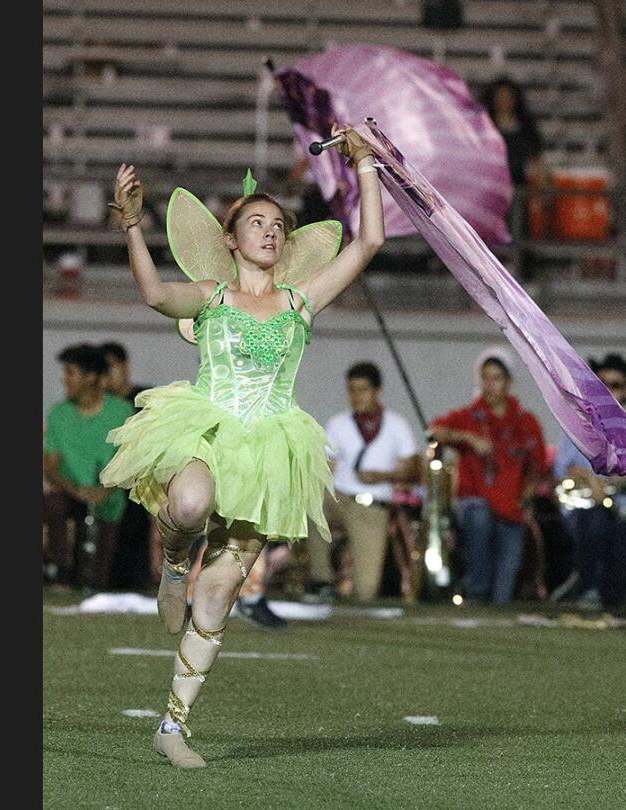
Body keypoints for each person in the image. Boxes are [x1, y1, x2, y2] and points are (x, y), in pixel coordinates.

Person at [97, 124, 385, 768]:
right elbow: (151, 294)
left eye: (278, 224)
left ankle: (172, 726)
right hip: (207, 426)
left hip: (270, 447)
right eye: (256, 222)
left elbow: (369, 241)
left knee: (223, 587)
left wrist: (364, 164)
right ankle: (175, 563)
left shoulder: (301, 299)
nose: (271, 230)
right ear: (230, 240)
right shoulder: (211, 296)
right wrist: (131, 227)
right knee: (191, 502)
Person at [549, 354, 626, 611]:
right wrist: (591, 479)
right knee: (595, 519)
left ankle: (604, 590)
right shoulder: (577, 426)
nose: (608, 391)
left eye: (615, 385)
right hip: (585, 509)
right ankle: (588, 587)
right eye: (602, 384)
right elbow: (562, 469)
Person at [429, 352, 548, 605]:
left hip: (512, 508)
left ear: (509, 382)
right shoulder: (470, 418)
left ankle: (492, 602)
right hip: (476, 503)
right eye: (485, 378)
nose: (489, 385)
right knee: (479, 517)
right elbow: (434, 430)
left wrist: (526, 499)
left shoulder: (527, 423)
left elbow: (537, 469)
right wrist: (468, 438)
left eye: (496, 378)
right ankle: (476, 592)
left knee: (503, 590)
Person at [306, 361, 421, 603]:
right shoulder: (339, 423)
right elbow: (327, 465)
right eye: (352, 390)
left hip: (371, 507)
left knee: (366, 590)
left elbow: (414, 472)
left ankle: (352, 599)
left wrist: (382, 477)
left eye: (363, 390)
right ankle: (322, 579)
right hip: (340, 497)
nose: (357, 396)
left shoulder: (396, 425)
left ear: (377, 391)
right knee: (313, 502)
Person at [43, 344, 136, 590]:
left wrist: (104, 491)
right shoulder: (58, 414)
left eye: (70, 373)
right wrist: (76, 490)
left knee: (96, 580)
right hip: (70, 497)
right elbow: (50, 465)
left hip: (109, 498)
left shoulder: (121, 412)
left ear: (90, 377)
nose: (64, 379)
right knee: (54, 503)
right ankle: (59, 573)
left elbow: (129, 459)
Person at [98, 341, 156, 590]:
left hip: (144, 476)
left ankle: (142, 577)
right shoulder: (104, 406)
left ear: (124, 367)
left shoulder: (143, 398)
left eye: (110, 367)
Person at [479, 77, 542, 245]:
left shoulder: (526, 128)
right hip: (490, 189)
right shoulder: (484, 126)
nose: (504, 102)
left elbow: (536, 158)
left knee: (518, 234)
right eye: (500, 97)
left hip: (517, 189)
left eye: (508, 97)